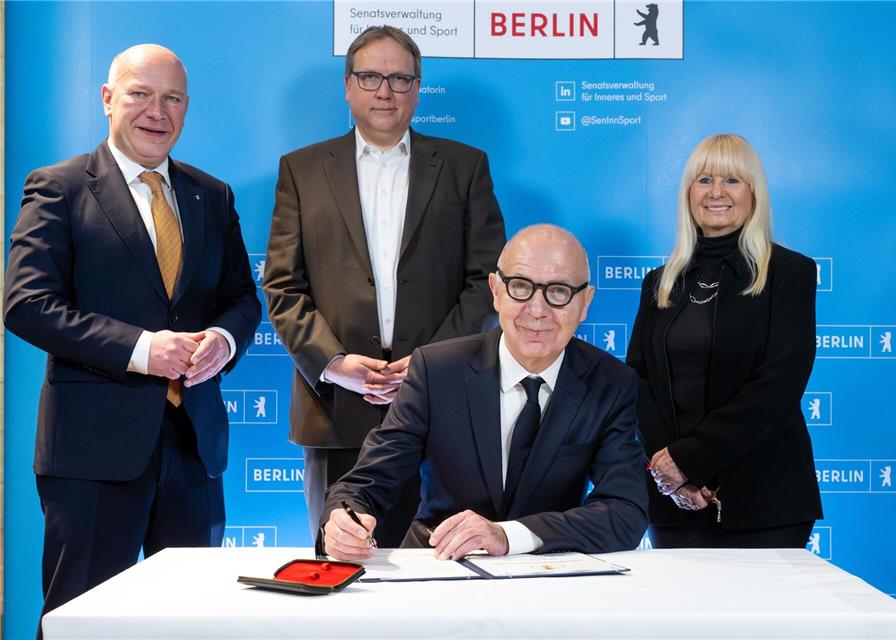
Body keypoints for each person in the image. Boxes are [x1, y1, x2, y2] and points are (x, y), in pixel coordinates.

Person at [3, 44, 260, 629]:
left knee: (193, 620)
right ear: (107, 98)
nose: (157, 111)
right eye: (141, 93)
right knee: (84, 620)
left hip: (195, 449)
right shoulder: (60, 187)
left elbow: (242, 298)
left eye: (172, 98)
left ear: (187, 109)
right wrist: (143, 350)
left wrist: (222, 339)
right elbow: (26, 304)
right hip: (93, 455)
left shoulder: (210, 195)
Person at [263, 25, 505, 547]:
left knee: (443, 573)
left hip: (443, 408)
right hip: (336, 409)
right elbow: (283, 286)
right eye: (371, 76)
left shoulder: (465, 167)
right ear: (348, 86)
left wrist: (430, 363)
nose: (385, 90)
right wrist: (332, 363)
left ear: (418, 89)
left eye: (399, 78)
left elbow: (486, 282)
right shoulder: (301, 171)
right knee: (341, 568)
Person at [320, 225, 649, 561]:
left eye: (559, 291)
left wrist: (507, 536)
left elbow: (625, 512)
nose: (537, 310)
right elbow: (366, 483)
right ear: (495, 290)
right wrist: (344, 519)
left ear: (585, 302)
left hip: (551, 576)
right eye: (521, 287)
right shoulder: (437, 370)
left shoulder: (610, 383)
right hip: (439, 569)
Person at [625, 133, 822, 548]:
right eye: (704, 180)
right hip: (676, 500)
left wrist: (689, 459)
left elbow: (778, 387)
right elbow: (638, 384)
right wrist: (670, 474)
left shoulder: (790, 274)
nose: (716, 192)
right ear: (688, 194)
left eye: (732, 180)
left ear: (753, 193)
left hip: (765, 500)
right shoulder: (658, 284)